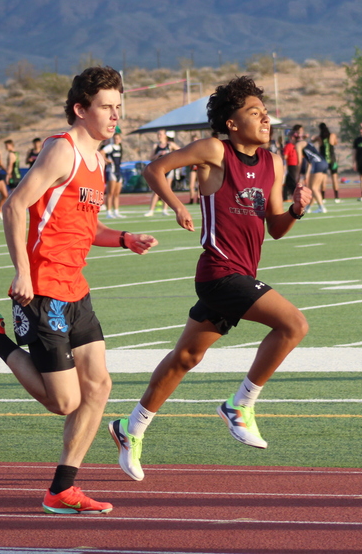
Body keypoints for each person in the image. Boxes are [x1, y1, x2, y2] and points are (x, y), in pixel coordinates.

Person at [0, 66, 158, 514]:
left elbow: (82, 224)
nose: (115, 115)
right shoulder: (62, 151)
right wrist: (21, 271)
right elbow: (14, 205)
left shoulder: (98, 160)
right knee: (64, 401)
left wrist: (123, 238)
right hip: (41, 290)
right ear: (81, 109)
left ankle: (62, 489)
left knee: (99, 387)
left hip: (76, 289)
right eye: (106, 106)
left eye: (119, 107)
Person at [108, 75, 311, 482]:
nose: (265, 118)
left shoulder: (272, 162)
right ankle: (240, 405)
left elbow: (275, 227)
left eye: (266, 112)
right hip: (219, 272)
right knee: (294, 325)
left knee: (186, 357)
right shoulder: (215, 150)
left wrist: (297, 210)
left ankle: (129, 428)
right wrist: (177, 206)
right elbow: (155, 169)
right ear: (233, 123)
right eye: (254, 113)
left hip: (241, 273)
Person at [144, 130, 178, 216]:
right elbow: (151, 157)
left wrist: (170, 154)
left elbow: (180, 152)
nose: (159, 136)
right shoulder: (156, 146)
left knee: (167, 189)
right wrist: (158, 154)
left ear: (165, 135)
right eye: (158, 134)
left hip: (169, 169)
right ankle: (151, 210)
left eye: (160, 134)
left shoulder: (170, 145)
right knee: (156, 190)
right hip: (159, 170)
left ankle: (165, 209)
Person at [301, 134, 329, 213]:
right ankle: (308, 207)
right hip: (323, 163)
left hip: (318, 164)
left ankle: (322, 207)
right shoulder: (309, 145)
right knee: (313, 188)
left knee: (314, 188)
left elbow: (302, 161)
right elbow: (309, 162)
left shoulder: (300, 145)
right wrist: (307, 174)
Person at [101, 132, 124, 218]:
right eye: (115, 138)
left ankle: (116, 211)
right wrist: (107, 160)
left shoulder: (120, 147)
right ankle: (109, 212)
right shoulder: (110, 147)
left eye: (118, 138)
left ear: (120, 139)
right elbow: (101, 152)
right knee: (110, 193)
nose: (116, 140)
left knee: (117, 193)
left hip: (118, 171)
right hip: (112, 170)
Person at [319, 122, 341, 203]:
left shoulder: (320, 137)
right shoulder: (332, 135)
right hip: (332, 160)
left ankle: (323, 198)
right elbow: (335, 142)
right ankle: (337, 197)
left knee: (323, 179)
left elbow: (313, 140)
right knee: (334, 178)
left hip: (323, 161)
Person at [281, 125, 302, 201]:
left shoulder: (289, 145)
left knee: (292, 182)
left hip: (291, 165)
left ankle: (295, 196)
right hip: (297, 165)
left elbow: (285, 156)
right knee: (288, 181)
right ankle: (286, 197)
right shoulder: (297, 145)